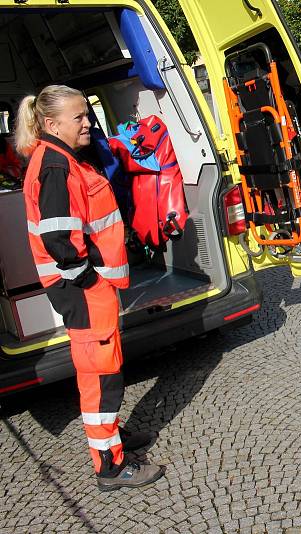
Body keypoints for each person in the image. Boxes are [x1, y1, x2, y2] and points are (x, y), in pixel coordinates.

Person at [17, 85, 163, 490]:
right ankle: (110, 467)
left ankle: (111, 438)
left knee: (105, 367)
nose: (88, 122)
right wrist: (89, 278)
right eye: (79, 117)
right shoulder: (55, 167)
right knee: (100, 376)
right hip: (82, 286)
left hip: (86, 285)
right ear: (52, 124)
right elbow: (58, 240)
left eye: (87, 114)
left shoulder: (60, 159)